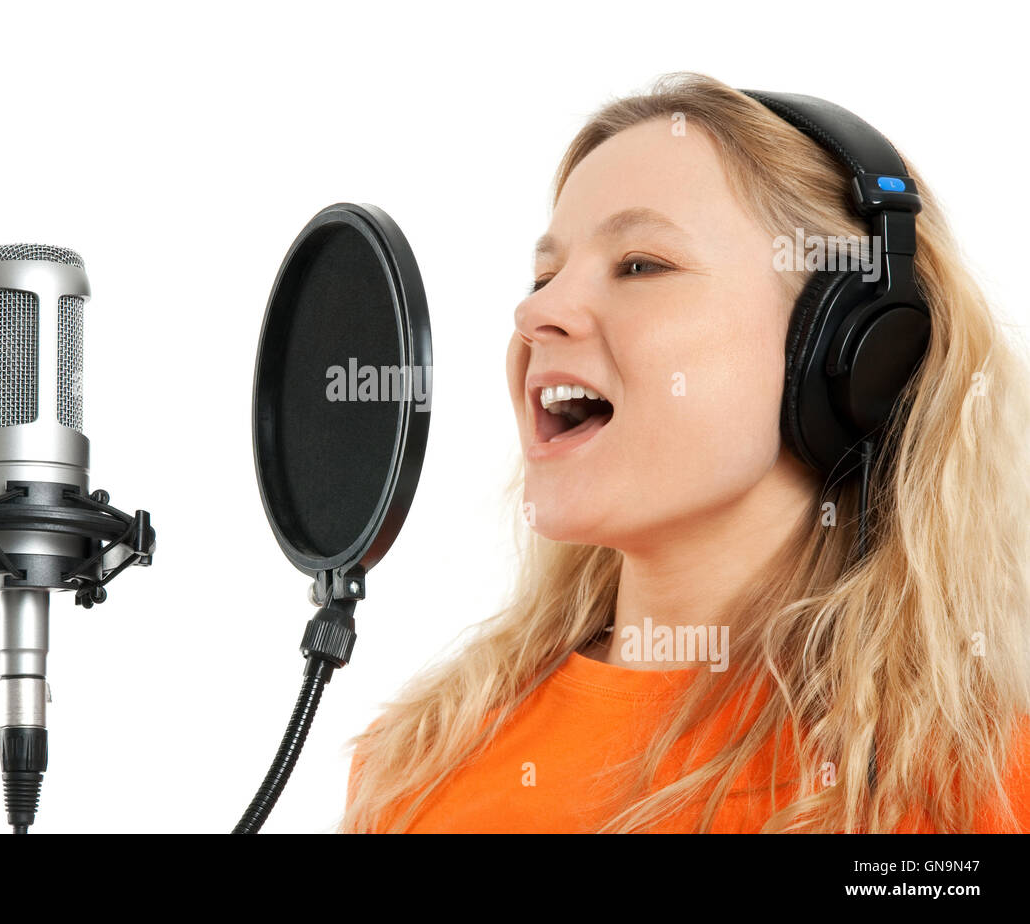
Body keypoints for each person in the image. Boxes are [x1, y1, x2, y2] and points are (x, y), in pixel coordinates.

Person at [341, 72, 1030, 833]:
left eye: (640, 265)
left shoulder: (980, 787)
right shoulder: (415, 763)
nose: (534, 310)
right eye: (544, 275)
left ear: (855, 351)